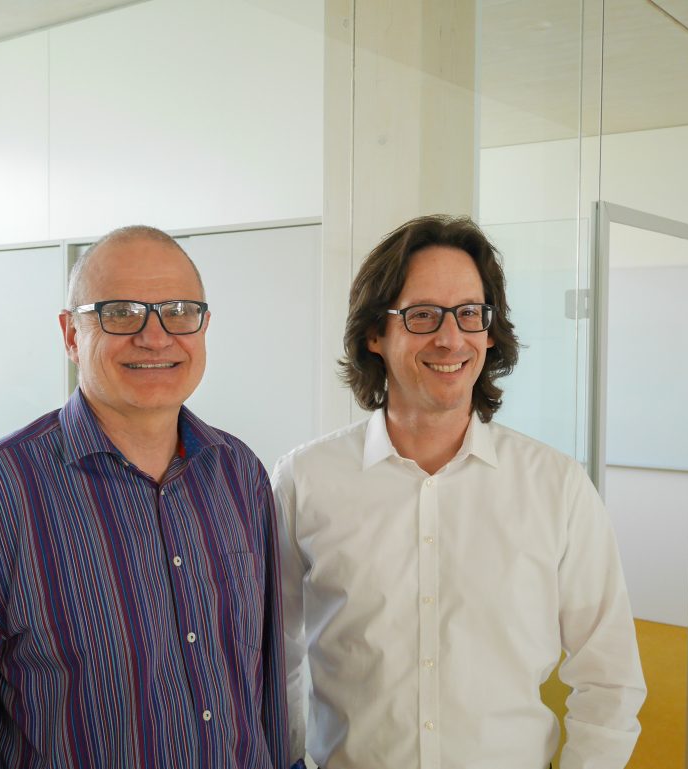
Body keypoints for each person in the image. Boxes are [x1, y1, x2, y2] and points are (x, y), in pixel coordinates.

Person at [0, 226, 294, 768]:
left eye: (178, 311)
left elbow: (264, 692)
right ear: (70, 334)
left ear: (204, 326)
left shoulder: (240, 475)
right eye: (120, 313)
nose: (155, 337)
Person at [272, 215, 646, 769]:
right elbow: (276, 656)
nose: (451, 338)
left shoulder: (557, 487)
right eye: (423, 315)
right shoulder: (304, 481)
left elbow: (609, 676)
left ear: (489, 332)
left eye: (469, 313)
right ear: (375, 334)